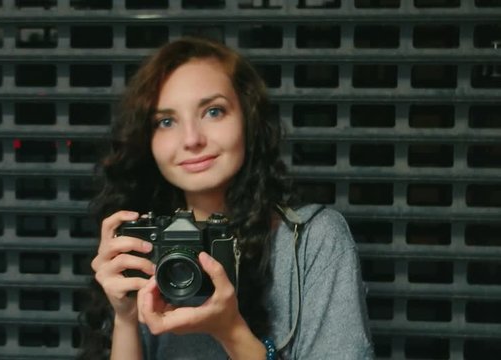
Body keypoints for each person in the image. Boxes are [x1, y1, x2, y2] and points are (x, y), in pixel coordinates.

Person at [78, 36, 373, 360]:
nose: (191, 139)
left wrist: (230, 330)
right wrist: (124, 317)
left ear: (248, 120)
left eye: (213, 111)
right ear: (147, 140)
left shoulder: (311, 241)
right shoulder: (144, 246)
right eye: (166, 121)